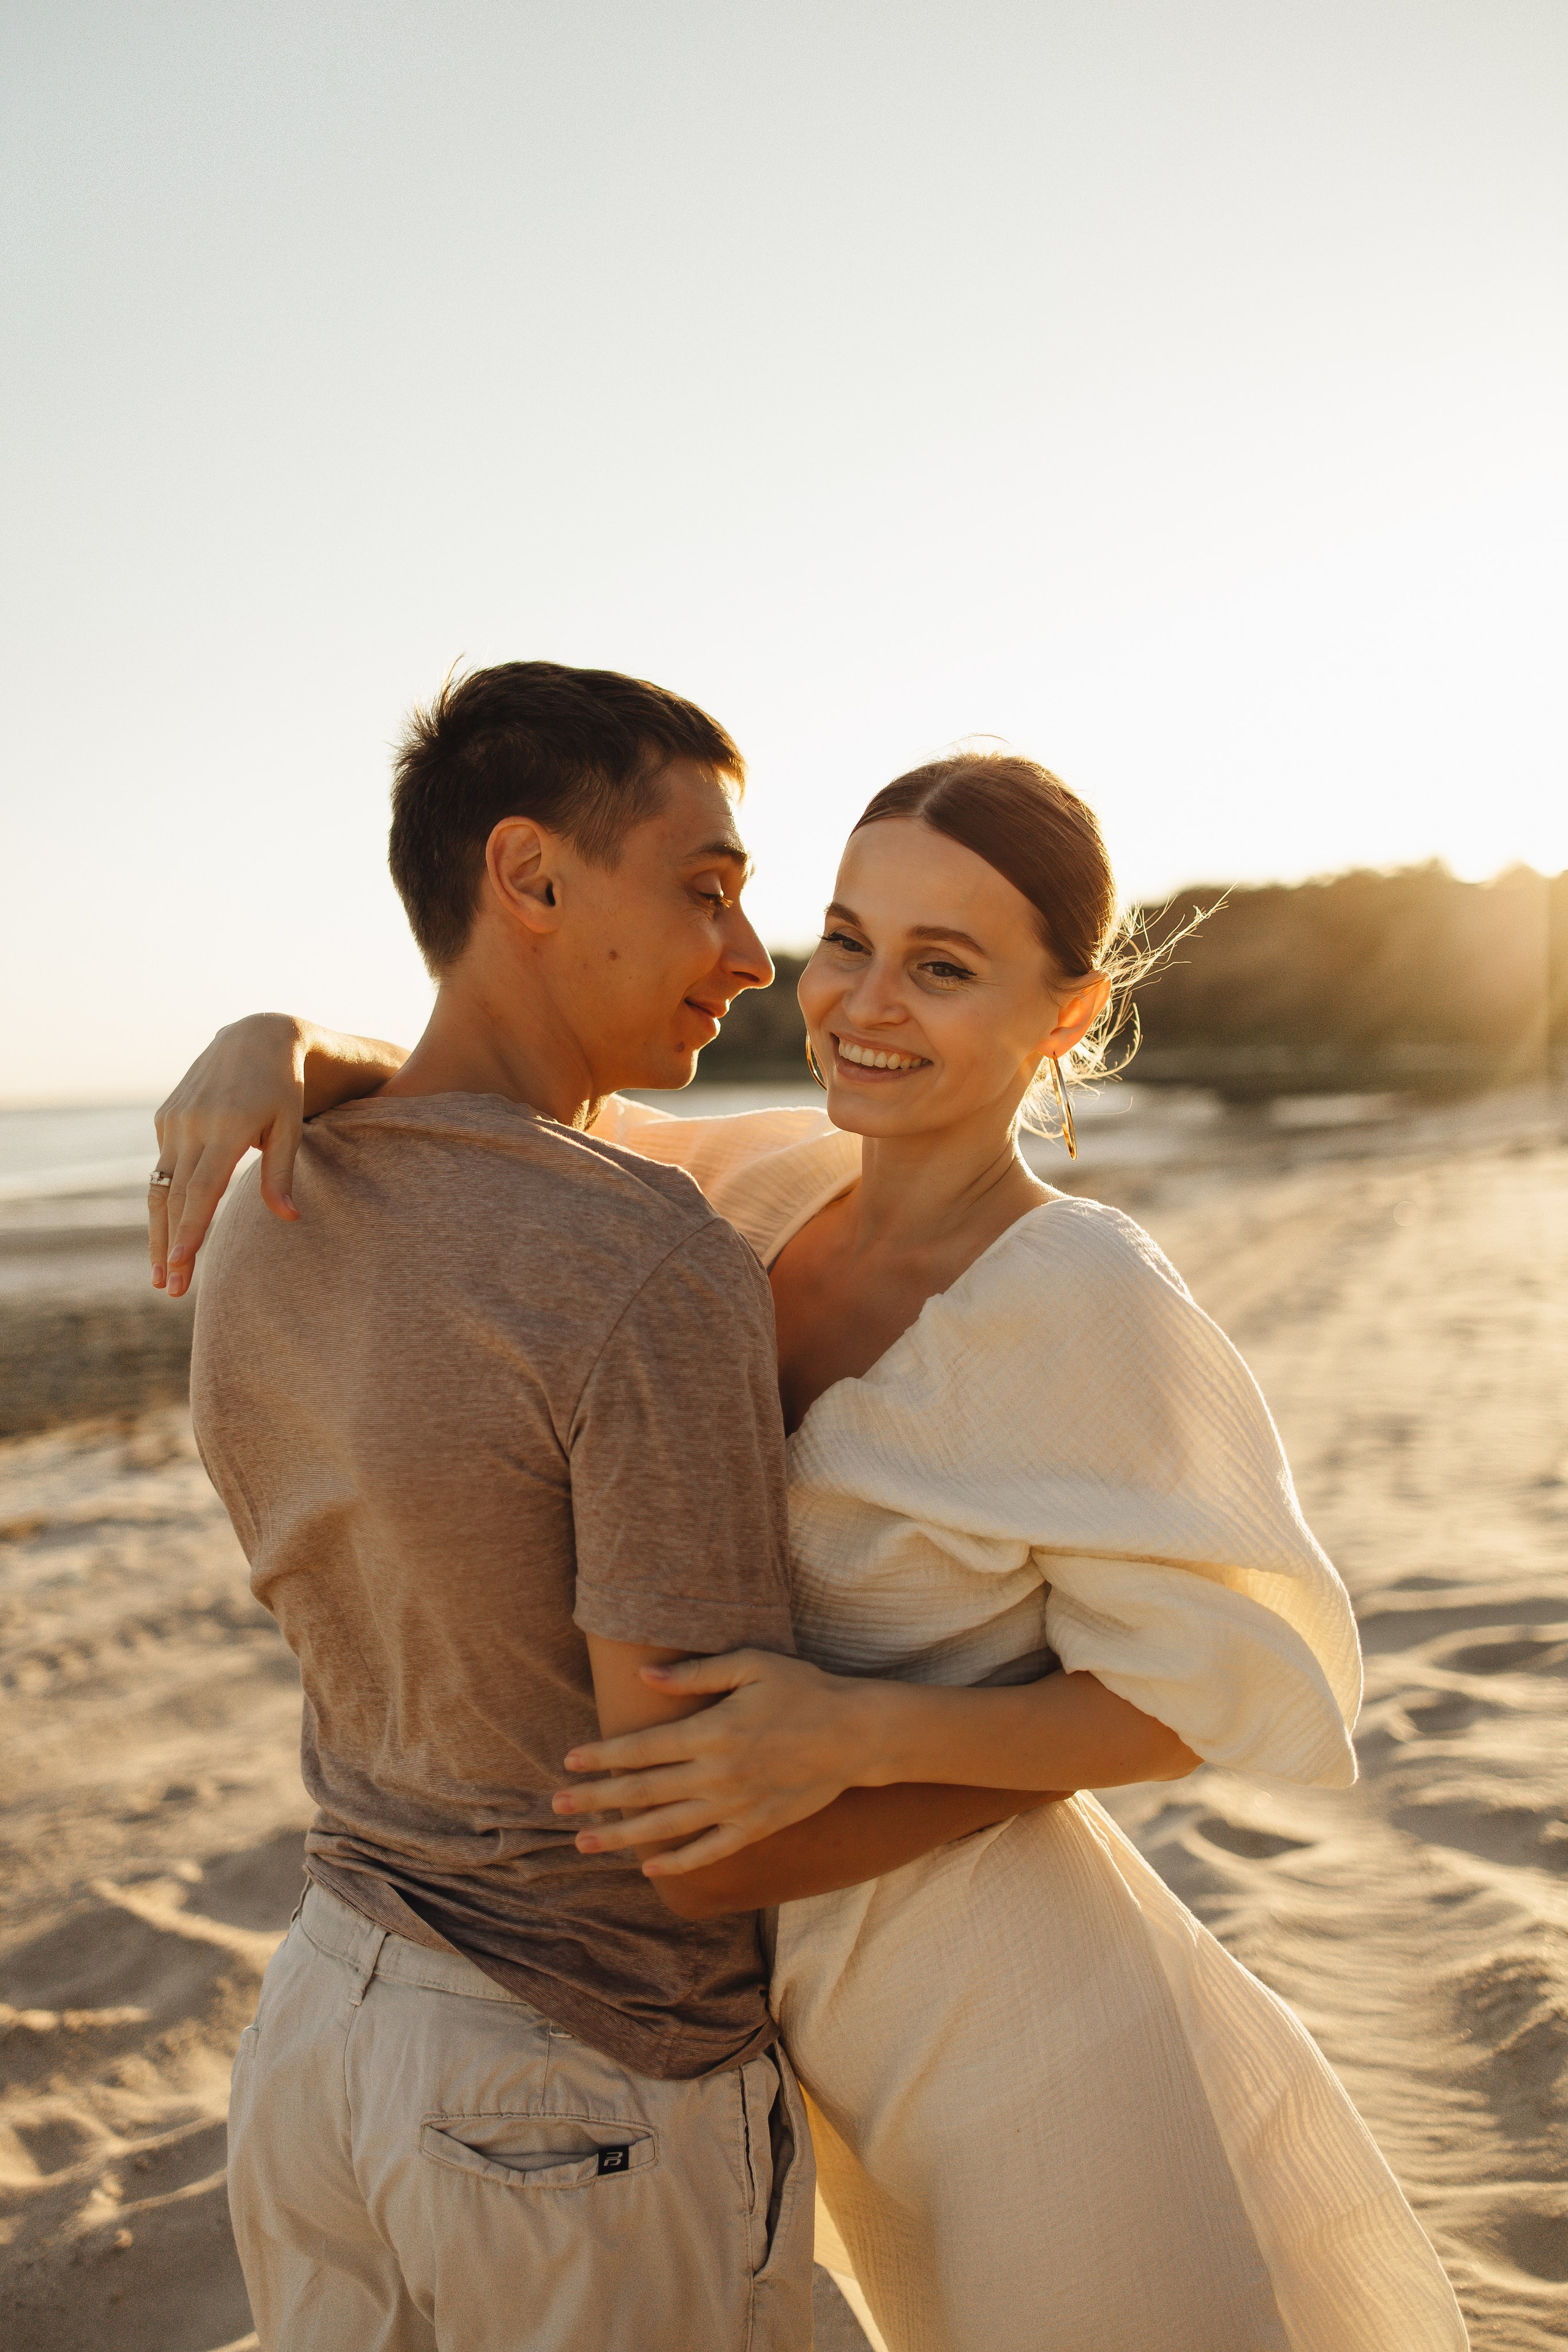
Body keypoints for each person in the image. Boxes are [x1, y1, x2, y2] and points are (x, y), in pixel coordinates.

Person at [156, 691, 1468, 2351]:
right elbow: (484, 1118)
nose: (846, 995)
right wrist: (274, 1043)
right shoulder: (751, 1185)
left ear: (1066, 1018)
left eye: (943, 964)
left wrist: (861, 1725)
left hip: (985, 1996)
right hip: (744, 1992)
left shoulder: (1083, 1294)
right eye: (848, 936)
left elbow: (1210, 1688)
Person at [178, 664, 1074, 2352]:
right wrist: (1040, 1760)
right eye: (708, 889)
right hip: (574, 2090)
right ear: (528, 877)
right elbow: (701, 1841)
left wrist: (283, 1041)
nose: (752, 960)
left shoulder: (262, 1202)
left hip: (320, 2033)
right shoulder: (641, 1261)